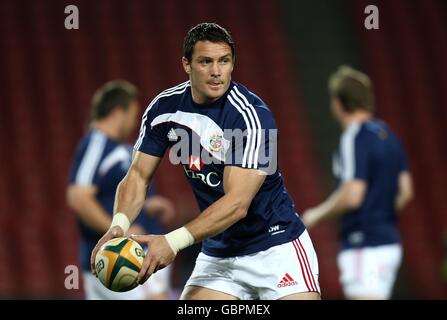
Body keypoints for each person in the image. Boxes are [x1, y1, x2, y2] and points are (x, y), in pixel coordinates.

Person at [91, 22, 321, 300]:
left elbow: (237, 204)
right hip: (220, 253)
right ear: (186, 64)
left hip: (275, 246)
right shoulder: (164, 109)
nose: (216, 71)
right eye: (205, 62)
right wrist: (118, 225)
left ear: (233, 64)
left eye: (224, 61)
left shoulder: (253, 118)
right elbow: (138, 176)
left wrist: (172, 242)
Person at [302, 66, 414, 300]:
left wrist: (316, 215)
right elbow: (405, 191)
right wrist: (380, 214)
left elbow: (353, 194)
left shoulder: (354, 137)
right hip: (389, 243)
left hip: (364, 243)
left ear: (338, 102)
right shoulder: (388, 133)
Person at [67, 80, 175, 300]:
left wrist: (145, 206)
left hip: (119, 255)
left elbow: (109, 194)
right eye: (133, 114)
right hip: (119, 257)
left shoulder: (119, 148)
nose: (135, 121)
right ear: (118, 112)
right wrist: (118, 228)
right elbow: (78, 197)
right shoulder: (97, 143)